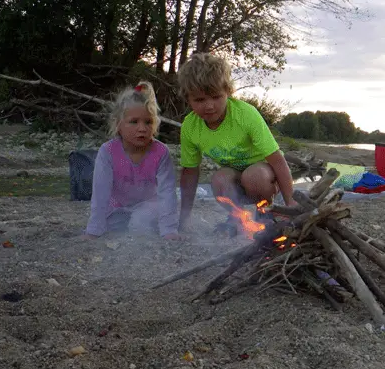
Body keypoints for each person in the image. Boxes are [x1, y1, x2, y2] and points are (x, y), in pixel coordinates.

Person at [176, 52, 294, 233]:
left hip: (264, 175)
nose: (209, 106)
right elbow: (190, 173)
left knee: (254, 176)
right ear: (188, 99)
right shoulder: (190, 127)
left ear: (228, 92)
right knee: (219, 179)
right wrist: (184, 217)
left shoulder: (245, 114)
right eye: (200, 100)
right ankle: (237, 218)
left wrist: (290, 202)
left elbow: (277, 160)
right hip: (235, 177)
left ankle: (265, 212)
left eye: (216, 97)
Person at [83, 81, 180, 239]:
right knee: (111, 227)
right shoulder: (107, 152)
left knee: (140, 224)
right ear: (118, 125)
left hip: (150, 204)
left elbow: (167, 193)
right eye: (134, 122)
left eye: (148, 122)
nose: (142, 128)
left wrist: (169, 230)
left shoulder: (161, 152)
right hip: (118, 206)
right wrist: (93, 231)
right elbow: (101, 194)